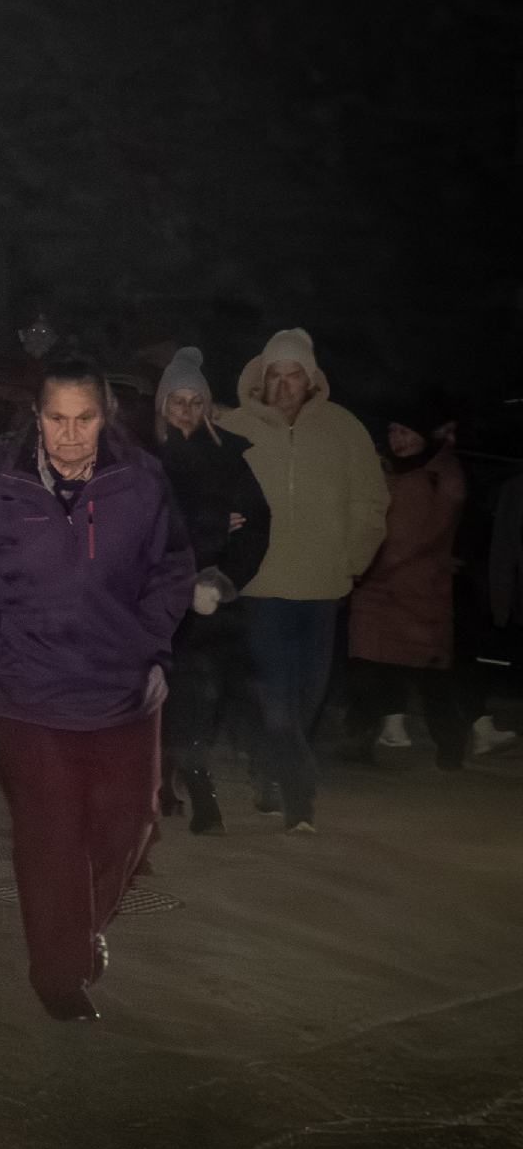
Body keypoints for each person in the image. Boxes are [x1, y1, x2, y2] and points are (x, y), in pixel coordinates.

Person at [0, 361, 194, 1022]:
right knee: (51, 836)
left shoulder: (140, 483)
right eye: (56, 419)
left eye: (85, 419)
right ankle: (58, 975)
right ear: (35, 417)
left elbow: (174, 569)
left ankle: (81, 927)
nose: (70, 436)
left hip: (122, 689)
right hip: (23, 692)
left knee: (130, 822)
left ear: (106, 417)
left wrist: (143, 639)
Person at [215, 329, 389, 831]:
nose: (286, 384)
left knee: (308, 694)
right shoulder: (235, 426)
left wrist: (353, 558)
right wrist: (220, 536)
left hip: (322, 585)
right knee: (275, 692)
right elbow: (208, 490)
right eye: (277, 374)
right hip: (260, 585)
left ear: (310, 380)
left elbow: (369, 500)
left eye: (295, 375)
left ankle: (269, 766)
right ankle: (296, 795)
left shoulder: (343, 428)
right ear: (262, 377)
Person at [152, 348, 271, 833]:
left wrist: (227, 580)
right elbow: (145, 524)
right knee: (155, 696)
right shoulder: (142, 456)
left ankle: (199, 783)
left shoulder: (226, 456)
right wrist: (211, 525)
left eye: (193, 400)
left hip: (206, 603)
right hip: (154, 596)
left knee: (199, 697)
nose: (184, 410)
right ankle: (158, 781)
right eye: (176, 400)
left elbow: (258, 523)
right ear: (162, 404)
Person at [346, 403, 468, 769]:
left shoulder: (440, 475)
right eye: (394, 431)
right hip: (376, 593)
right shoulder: (387, 472)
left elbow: (416, 537)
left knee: (430, 676)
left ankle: (450, 746)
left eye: (406, 432)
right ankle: (358, 741)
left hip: (420, 594)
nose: (398, 440)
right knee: (367, 667)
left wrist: (367, 567)